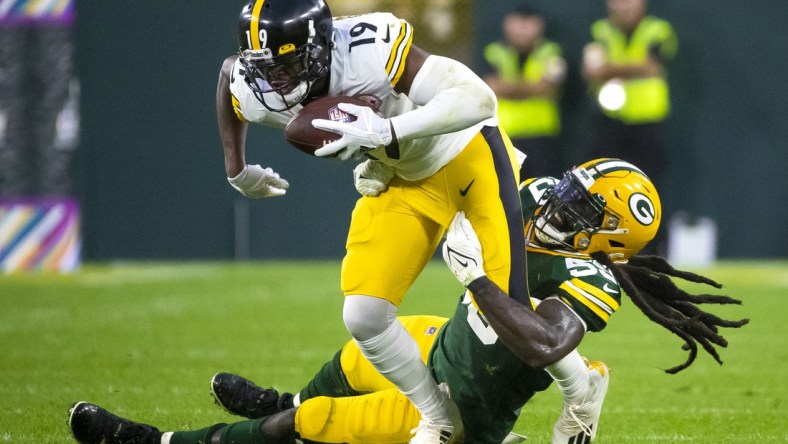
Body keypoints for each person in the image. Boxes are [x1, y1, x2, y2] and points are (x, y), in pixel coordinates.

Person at [67, 159, 749, 444]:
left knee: (321, 424)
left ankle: (165, 441)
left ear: (607, 242)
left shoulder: (595, 280)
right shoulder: (541, 202)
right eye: (569, 192)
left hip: (461, 407)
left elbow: (544, 343)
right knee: (355, 352)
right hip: (451, 344)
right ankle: (283, 399)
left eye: (579, 209)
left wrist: (476, 279)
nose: (555, 205)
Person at [218, 1, 532, 441]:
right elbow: (229, 79)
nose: (275, 79)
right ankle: (440, 419)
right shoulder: (257, 83)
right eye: (265, 66)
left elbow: (480, 99)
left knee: (510, 318)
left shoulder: (369, 49)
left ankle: (581, 386)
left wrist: (387, 132)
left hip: (465, 156)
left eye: (287, 63)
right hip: (405, 178)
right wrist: (237, 167)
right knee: (364, 315)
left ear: (320, 47)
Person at [582, 0, 678, 190]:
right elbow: (590, 71)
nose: (623, 6)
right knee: (602, 182)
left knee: (648, 182)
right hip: (609, 120)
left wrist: (608, 69)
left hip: (647, 120)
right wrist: (635, 67)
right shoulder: (599, 30)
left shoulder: (658, 30)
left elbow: (652, 67)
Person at [481, 3, 567, 180]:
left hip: (541, 138)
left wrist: (506, 87)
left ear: (539, 26)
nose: (522, 29)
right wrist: (533, 87)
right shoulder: (493, 52)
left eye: (528, 23)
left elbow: (548, 87)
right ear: (507, 24)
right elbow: (490, 86)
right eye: (517, 23)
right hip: (503, 136)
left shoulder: (551, 52)